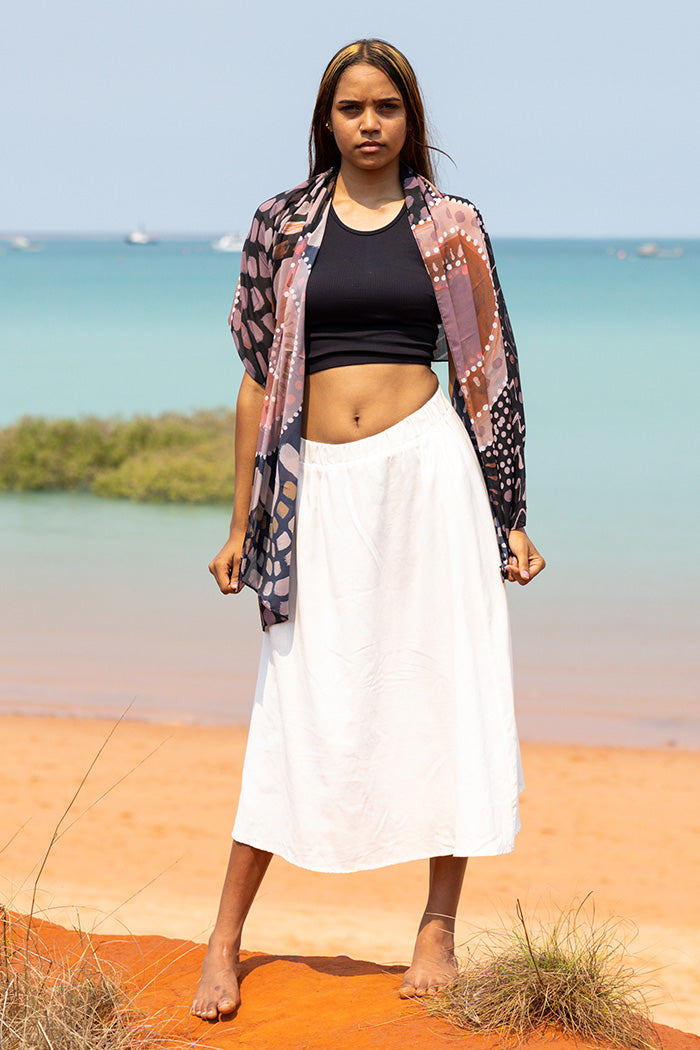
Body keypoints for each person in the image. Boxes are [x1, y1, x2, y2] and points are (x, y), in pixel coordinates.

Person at [191, 38, 545, 1021]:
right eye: (352, 108)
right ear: (327, 121)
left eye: (386, 107)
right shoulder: (281, 223)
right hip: (316, 486)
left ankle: (437, 925)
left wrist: (510, 516)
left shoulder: (452, 224)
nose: (370, 123)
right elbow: (256, 379)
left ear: (409, 117)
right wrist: (240, 521)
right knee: (294, 697)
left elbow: (491, 373)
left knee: (446, 683)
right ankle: (223, 938)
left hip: (429, 475)